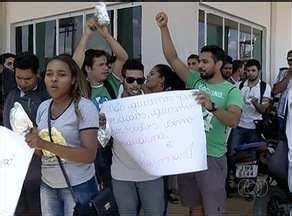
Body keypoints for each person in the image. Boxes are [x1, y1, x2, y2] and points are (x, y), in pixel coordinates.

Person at [156, 11, 243, 216]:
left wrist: (211, 106)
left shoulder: (232, 91)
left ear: (219, 64)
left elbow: (233, 120)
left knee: (213, 209)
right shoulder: (195, 80)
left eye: (205, 61)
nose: (200, 65)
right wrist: (163, 28)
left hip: (212, 157)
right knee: (193, 205)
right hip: (190, 155)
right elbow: (172, 57)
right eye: (200, 61)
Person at [25, 55, 99, 216]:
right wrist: (32, 143)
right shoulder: (43, 107)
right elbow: (41, 153)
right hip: (48, 185)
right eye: (49, 74)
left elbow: (89, 155)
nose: (54, 79)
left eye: (61, 74)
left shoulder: (85, 107)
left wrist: (44, 144)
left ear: (73, 79)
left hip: (79, 186)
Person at [73, 17, 128, 189]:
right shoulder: (81, 86)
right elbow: (74, 64)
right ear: (88, 68)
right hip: (90, 145)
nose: (106, 68)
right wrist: (87, 34)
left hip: (113, 144)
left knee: (113, 187)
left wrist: (106, 35)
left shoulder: (111, 82)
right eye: (101, 65)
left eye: (106, 64)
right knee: (95, 188)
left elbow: (122, 57)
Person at [105, 59, 165, 216]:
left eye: (140, 80)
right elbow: (102, 140)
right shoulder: (111, 106)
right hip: (121, 175)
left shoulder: (155, 104)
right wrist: (102, 126)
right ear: (123, 79)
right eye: (130, 80)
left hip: (151, 173)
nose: (135, 84)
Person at [3, 52, 49, 216]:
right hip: (14, 166)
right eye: (18, 78)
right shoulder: (11, 95)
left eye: (27, 79)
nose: (22, 83)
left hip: (40, 165)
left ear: (37, 73)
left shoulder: (47, 95)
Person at [229, 59, 272, 155]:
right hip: (239, 126)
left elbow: (263, 110)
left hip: (254, 127)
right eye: (248, 71)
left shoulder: (265, 87)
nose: (250, 73)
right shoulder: (239, 85)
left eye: (253, 71)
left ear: (259, 71)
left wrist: (256, 103)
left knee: (253, 156)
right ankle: (233, 170)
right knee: (232, 153)